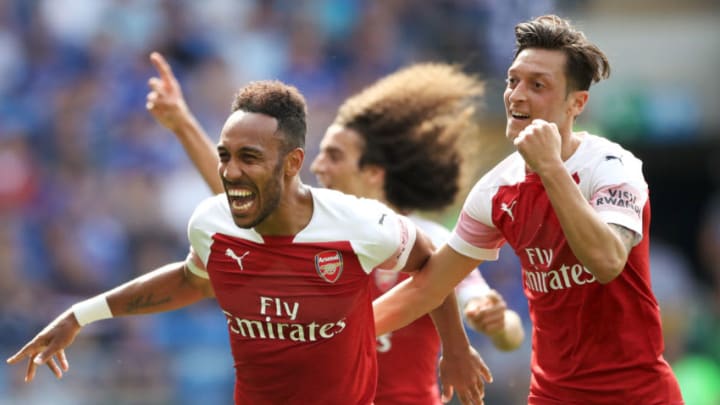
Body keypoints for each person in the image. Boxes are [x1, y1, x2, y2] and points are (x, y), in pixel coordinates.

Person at [7, 79, 491, 404]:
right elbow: (191, 281)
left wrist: (455, 348)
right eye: (225, 156)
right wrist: (81, 314)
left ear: (293, 162)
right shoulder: (211, 223)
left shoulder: (360, 225)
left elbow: (431, 262)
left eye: (249, 157)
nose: (230, 171)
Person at [143, 52, 524, 404]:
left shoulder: (423, 238)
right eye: (321, 152)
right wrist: (181, 122)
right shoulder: (309, 232)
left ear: (373, 173)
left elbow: (501, 326)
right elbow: (237, 198)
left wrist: (494, 321)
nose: (320, 165)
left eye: (335, 155)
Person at [372, 14, 685, 404]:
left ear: (577, 104)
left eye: (537, 85)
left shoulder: (612, 167)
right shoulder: (496, 189)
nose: (517, 95)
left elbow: (607, 260)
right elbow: (428, 287)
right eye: (512, 80)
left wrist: (549, 167)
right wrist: (339, 331)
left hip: (638, 396)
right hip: (551, 395)